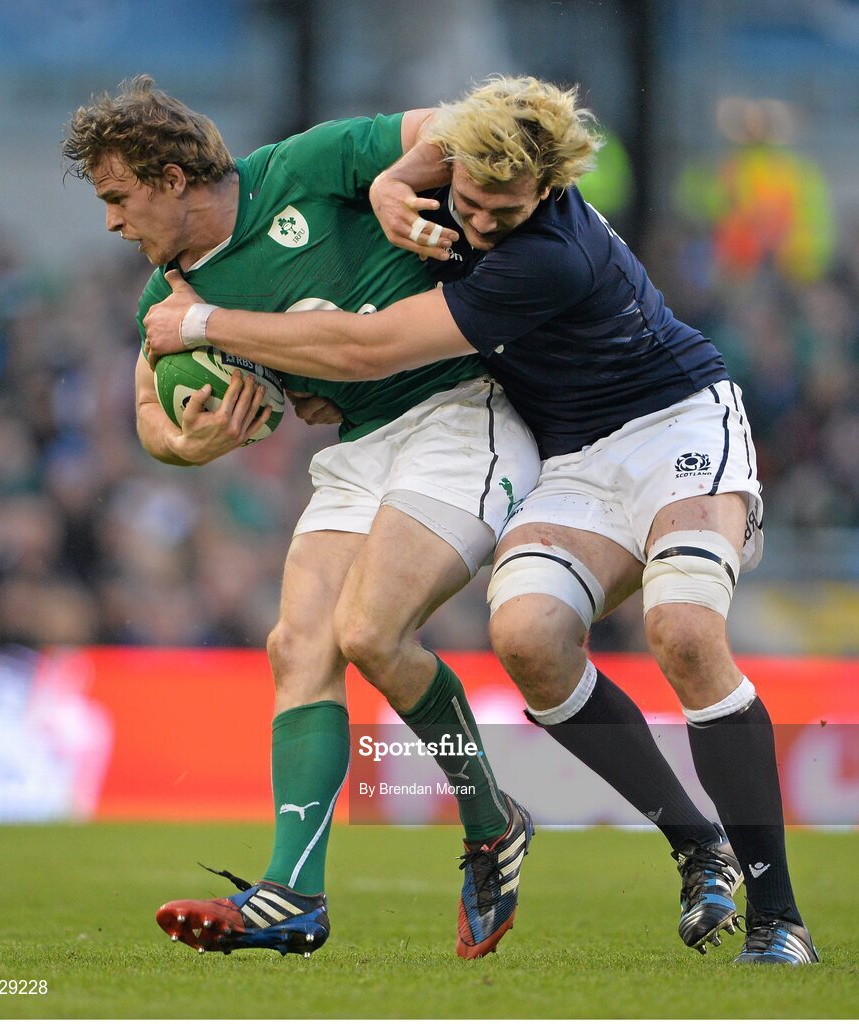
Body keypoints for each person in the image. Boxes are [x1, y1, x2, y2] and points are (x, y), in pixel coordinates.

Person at [143, 76, 817, 966]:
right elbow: (461, 120)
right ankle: (696, 848)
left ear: (547, 192)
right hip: (571, 452)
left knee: (684, 633)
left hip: (674, 423)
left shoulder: (545, 253)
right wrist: (397, 178)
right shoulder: (449, 170)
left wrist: (204, 321)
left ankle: (778, 919)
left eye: (504, 209)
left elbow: (366, 347)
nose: (482, 223)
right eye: (469, 200)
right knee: (529, 639)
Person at [63, 75, 543, 960]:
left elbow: (459, 124)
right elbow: (151, 423)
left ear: (171, 177)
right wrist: (193, 447)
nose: (111, 223)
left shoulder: (306, 165)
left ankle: (490, 823)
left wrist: (397, 183)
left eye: (117, 197)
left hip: (460, 410)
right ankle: (296, 894)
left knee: (369, 633)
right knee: (299, 645)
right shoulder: (164, 300)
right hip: (362, 441)